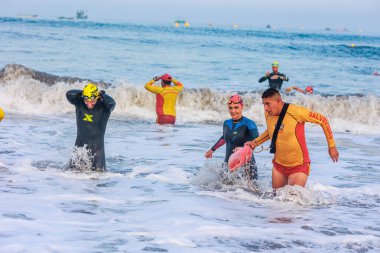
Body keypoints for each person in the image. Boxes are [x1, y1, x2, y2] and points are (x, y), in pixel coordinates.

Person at [246, 88, 339, 189]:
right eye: (263, 104)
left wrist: (332, 146)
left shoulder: (296, 111)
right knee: (276, 201)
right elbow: (271, 131)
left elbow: (323, 120)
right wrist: (255, 143)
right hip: (278, 165)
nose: (265, 108)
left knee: (292, 201)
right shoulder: (269, 113)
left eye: (268, 104)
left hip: (298, 166)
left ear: (278, 101)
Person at [205, 94, 259, 179]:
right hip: (228, 165)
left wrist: (242, 149)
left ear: (242, 107)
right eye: (230, 108)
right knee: (220, 190)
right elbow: (224, 137)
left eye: (236, 107)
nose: (233, 111)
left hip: (246, 167)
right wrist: (212, 150)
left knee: (249, 192)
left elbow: (256, 142)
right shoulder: (226, 123)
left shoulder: (250, 124)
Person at [66, 83, 116, 171]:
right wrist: (85, 92)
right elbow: (69, 94)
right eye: (86, 101)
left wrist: (102, 94)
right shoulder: (79, 103)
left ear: (97, 98)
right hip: (80, 148)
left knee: (98, 177)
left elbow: (111, 103)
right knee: (70, 175)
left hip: (97, 150)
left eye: (92, 101)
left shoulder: (104, 108)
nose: (89, 104)